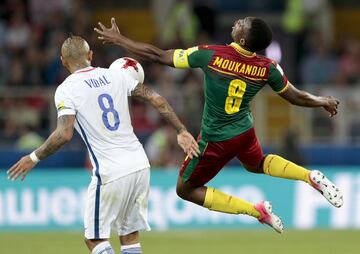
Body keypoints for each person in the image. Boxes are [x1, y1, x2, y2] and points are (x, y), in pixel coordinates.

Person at [94, 17, 343, 233]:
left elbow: (158, 55)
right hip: (244, 131)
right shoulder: (268, 68)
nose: (236, 23)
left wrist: (120, 40)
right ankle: (308, 176)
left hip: (216, 138)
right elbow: (294, 96)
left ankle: (256, 211)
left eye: (242, 25)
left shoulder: (210, 55)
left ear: (243, 40)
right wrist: (321, 100)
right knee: (256, 164)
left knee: (185, 190)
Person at [7, 35, 200, 254]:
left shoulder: (66, 89)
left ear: (62, 61)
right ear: (90, 56)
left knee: (94, 240)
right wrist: (181, 130)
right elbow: (156, 98)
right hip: (139, 164)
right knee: (129, 237)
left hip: (110, 171)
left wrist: (32, 158)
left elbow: (64, 134)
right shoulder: (116, 76)